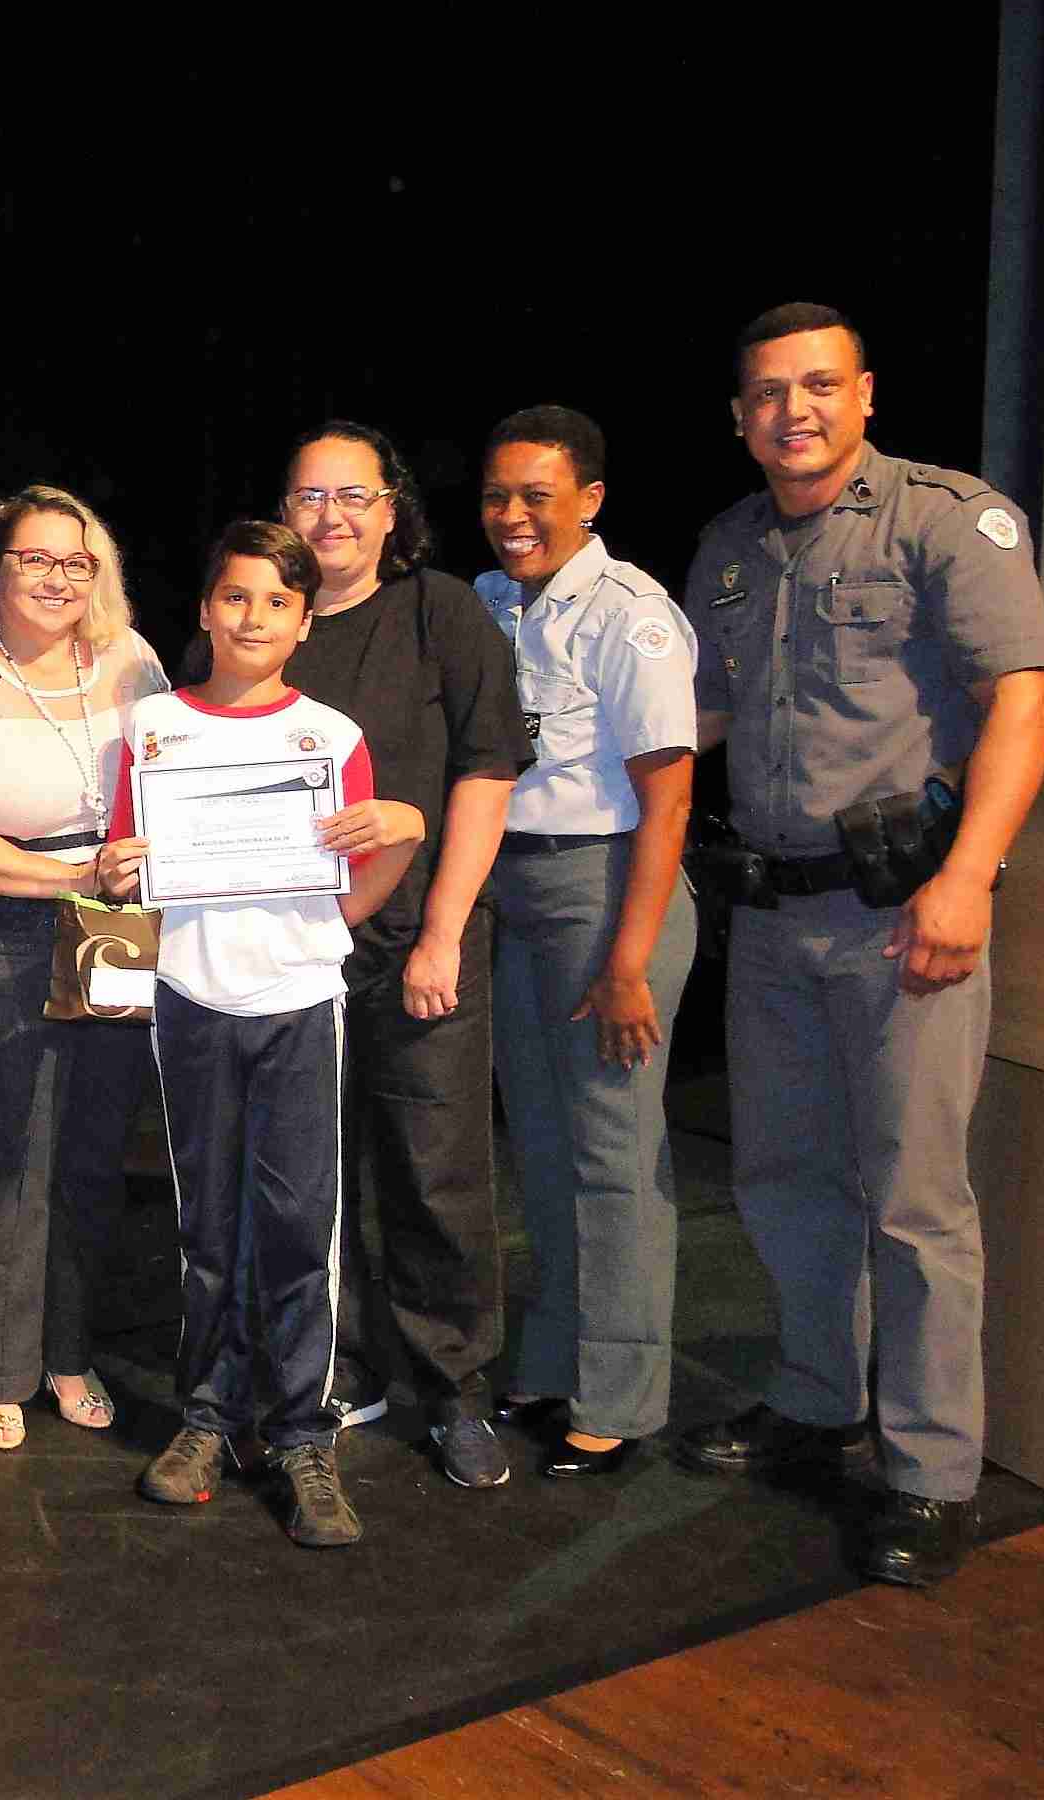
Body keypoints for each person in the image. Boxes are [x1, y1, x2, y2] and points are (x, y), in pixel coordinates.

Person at [676, 303, 1044, 1588]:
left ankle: (933, 1472)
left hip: (905, 914)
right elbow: (701, 711)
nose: (797, 411)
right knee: (785, 1179)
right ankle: (815, 1398)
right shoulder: (730, 547)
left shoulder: (949, 519)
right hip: (776, 919)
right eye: (771, 393)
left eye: (821, 386)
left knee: (913, 1201)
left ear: (867, 395)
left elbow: (1026, 695)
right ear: (739, 418)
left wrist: (970, 878)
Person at [113, 520, 420, 1548]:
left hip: (296, 1002)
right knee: (207, 1226)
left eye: (276, 602)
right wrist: (118, 874)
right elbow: (126, 869)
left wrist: (395, 843)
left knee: (299, 1230)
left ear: (303, 621)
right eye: (234, 597)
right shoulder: (151, 728)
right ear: (204, 609)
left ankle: (301, 1433)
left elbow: (366, 869)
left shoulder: (329, 739)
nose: (253, 618)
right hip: (192, 998)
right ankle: (206, 1418)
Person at [277, 422, 531, 1489]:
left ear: (391, 509)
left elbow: (486, 770)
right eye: (307, 497)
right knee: (309, 1181)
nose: (329, 516)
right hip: (283, 957)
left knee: (435, 1178)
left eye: (353, 496)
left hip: (417, 948)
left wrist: (441, 934)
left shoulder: (441, 612)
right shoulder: (266, 624)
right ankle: (335, 1372)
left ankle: (454, 1392)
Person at [472, 406, 698, 1479]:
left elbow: (668, 798)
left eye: (538, 497)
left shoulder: (630, 614)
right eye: (498, 496)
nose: (513, 517)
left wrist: (626, 961)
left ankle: (620, 1399)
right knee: (549, 1150)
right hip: (511, 889)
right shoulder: (488, 605)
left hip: (606, 890)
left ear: (591, 502)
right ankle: (557, 1363)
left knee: (614, 1154)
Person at [0, 487, 169, 1451]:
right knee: (10, 1156)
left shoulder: (132, 662)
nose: (56, 578)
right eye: (35, 559)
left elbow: (174, 777)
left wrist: (120, 868)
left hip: (115, 919)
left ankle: (70, 1354)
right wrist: (66, 871)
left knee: (90, 1154)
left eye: (75, 562)